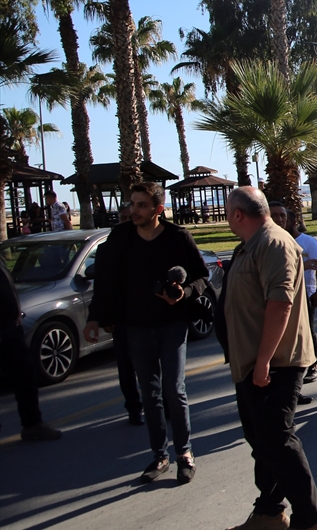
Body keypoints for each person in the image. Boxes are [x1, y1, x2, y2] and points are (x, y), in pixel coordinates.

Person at [220, 187, 317, 530]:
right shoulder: (250, 245)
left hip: (275, 362)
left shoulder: (274, 243)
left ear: (238, 214)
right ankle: (269, 511)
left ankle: (311, 520)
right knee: (263, 441)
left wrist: (263, 360)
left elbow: (280, 303)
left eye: (227, 211)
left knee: (277, 440)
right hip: (252, 361)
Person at [84, 182, 208, 484]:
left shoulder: (178, 237)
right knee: (150, 394)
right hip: (135, 327)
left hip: (172, 325)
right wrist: (94, 318)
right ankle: (159, 456)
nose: (134, 210)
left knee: (173, 390)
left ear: (158, 209)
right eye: (132, 203)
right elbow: (105, 280)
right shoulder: (120, 237)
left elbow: (202, 276)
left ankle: (184, 453)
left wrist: (184, 293)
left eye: (141, 205)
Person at [0, 262, 62, 442]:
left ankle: (33, 425)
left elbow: (8, 287)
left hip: (10, 327)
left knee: (25, 376)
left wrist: (16, 311)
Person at [268, 202, 317, 387]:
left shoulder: (307, 242)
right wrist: (302, 265)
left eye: (282, 216)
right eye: (274, 216)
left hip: (304, 296)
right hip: (279, 297)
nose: (279, 220)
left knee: (306, 331)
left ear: (292, 221)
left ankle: (313, 365)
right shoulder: (270, 242)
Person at [98, 201, 143, 426]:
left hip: (146, 318)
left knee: (152, 366)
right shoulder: (108, 247)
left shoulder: (146, 245)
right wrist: (102, 317)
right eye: (123, 218)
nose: (127, 222)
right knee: (125, 368)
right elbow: (101, 286)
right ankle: (133, 408)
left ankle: (162, 404)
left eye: (130, 217)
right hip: (121, 318)